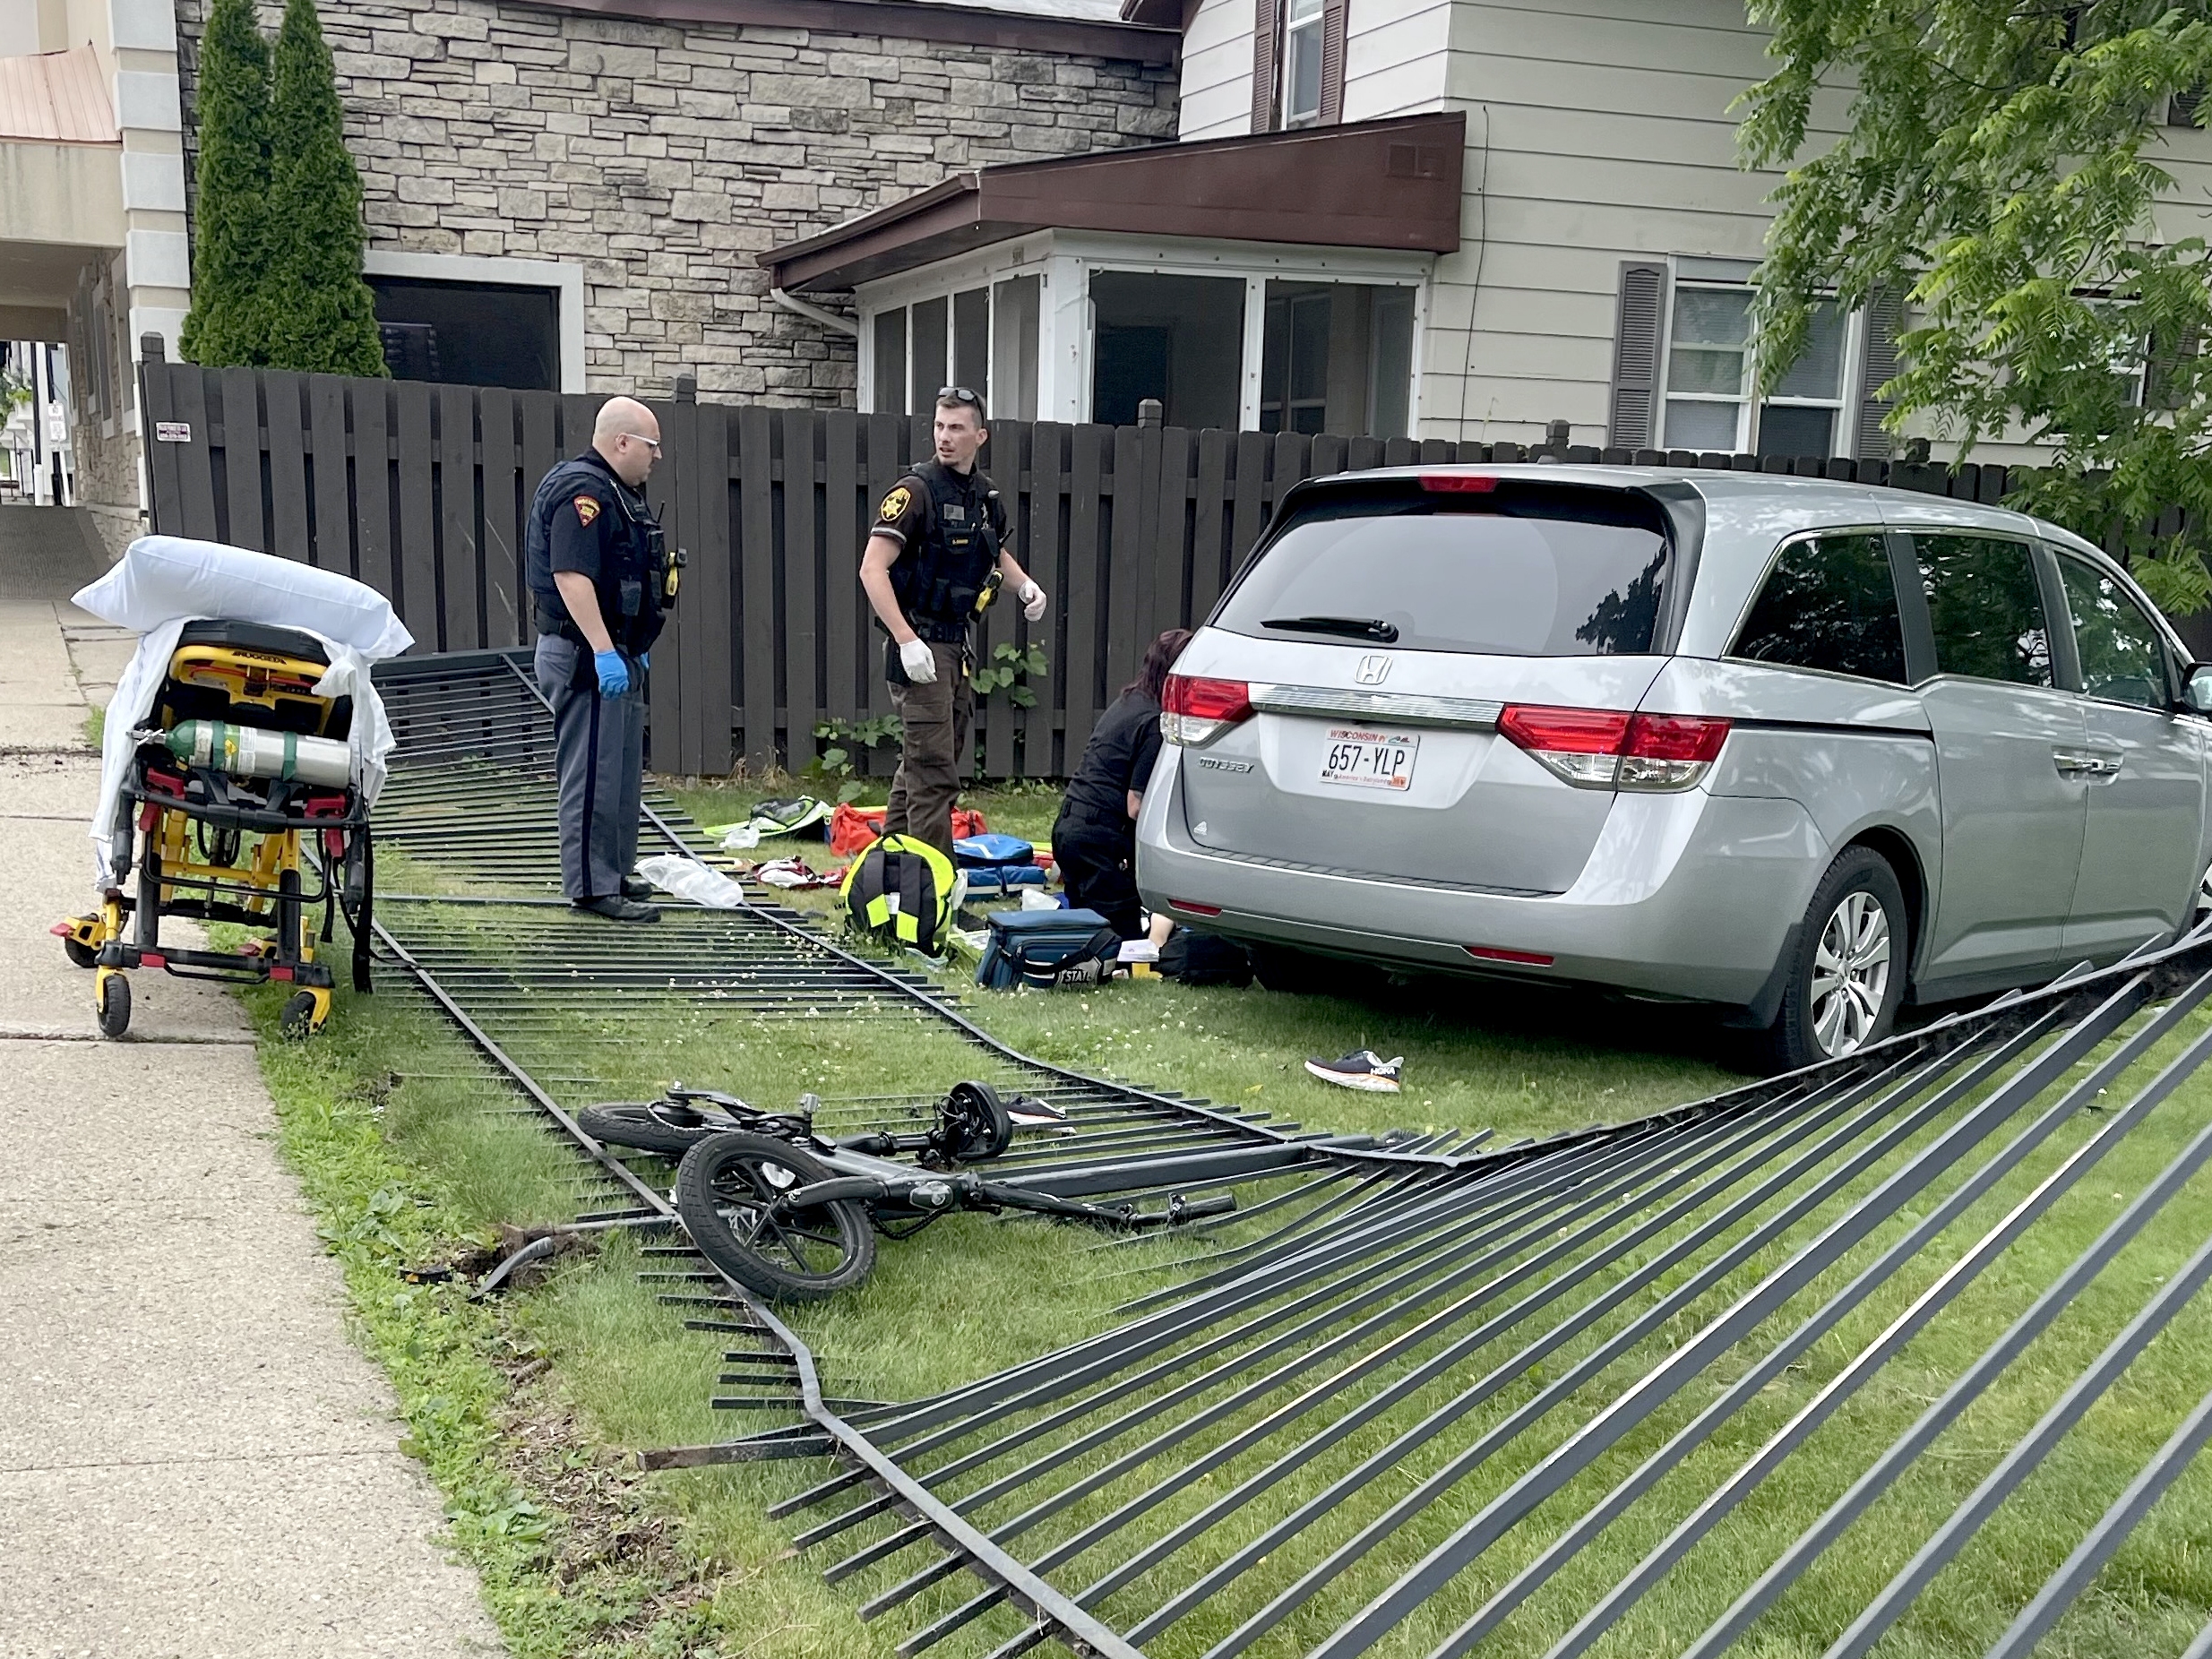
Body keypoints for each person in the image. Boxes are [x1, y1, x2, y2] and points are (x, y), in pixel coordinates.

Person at [859, 387, 1047, 859]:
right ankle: (931, 887)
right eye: (940, 427)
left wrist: (1024, 585)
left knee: (925, 762)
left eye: (957, 428)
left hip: (955, 646)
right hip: (919, 645)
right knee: (935, 772)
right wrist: (905, 640)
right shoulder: (915, 491)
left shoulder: (984, 495)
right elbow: (871, 568)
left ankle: (893, 864)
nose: (945, 437)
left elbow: (992, 550)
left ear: (979, 436)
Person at [524, 396, 675, 922]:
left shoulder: (619, 493)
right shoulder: (584, 493)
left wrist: (629, 648)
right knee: (591, 771)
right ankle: (590, 887)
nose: (657, 457)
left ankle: (612, 872)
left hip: (618, 652)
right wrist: (606, 650)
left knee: (619, 771)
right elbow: (571, 576)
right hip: (586, 653)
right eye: (652, 446)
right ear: (622, 442)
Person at [1053, 628, 1190, 941]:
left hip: (1069, 829)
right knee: (1128, 945)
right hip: (1098, 842)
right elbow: (1136, 805)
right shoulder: (1155, 721)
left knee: (1085, 937)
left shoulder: (1128, 702)